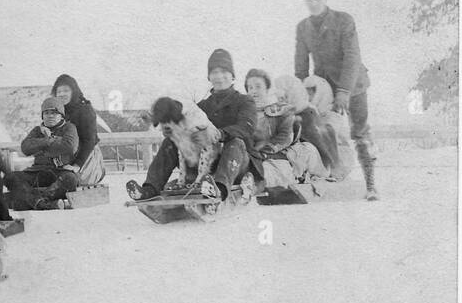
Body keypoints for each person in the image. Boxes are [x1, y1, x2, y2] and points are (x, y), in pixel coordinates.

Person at [127, 49, 255, 202]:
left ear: (232, 75)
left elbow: (246, 127)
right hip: (205, 165)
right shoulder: (201, 106)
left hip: (236, 163)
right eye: (214, 72)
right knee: (171, 141)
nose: (219, 76)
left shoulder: (245, 101)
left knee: (235, 142)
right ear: (209, 77)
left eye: (224, 71)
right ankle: (150, 189)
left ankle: (219, 189)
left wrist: (219, 134)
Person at [294, 0, 375, 197]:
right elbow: (300, 65)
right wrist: (300, 94)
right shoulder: (303, 28)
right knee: (321, 127)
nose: (312, 3)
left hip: (354, 84)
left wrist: (344, 92)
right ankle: (331, 172)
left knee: (359, 133)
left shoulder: (344, 20)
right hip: (324, 88)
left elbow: (352, 57)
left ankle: (371, 185)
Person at [7, 97, 81, 210]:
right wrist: (48, 141)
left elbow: (69, 147)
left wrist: (44, 145)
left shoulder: (69, 128)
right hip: (38, 171)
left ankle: (32, 200)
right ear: (43, 115)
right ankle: (46, 204)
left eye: (54, 113)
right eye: (46, 113)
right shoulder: (37, 130)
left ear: (61, 115)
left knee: (71, 179)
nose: (50, 116)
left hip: (59, 172)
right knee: (11, 177)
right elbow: (25, 147)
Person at [243, 69, 296, 190]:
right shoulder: (244, 114)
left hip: (274, 157)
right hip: (249, 158)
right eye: (250, 88)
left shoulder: (281, 110)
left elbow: (285, 136)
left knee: (266, 173)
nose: (254, 91)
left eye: (258, 87)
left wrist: (266, 149)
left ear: (267, 88)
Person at [52, 73, 105, 186]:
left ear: (73, 92)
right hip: (65, 156)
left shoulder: (85, 110)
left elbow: (89, 141)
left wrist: (76, 165)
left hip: (86, 159)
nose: (62, 94)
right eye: (59, 91)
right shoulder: (58, 112)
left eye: (66, 90)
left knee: (68, 180)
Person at [303, 74, 355, 181]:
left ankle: (333, 173)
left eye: (311, 94)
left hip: (340, 158)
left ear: (320, 94)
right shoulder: (313, 112)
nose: (308, 98)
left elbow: (327, 134)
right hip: (324, 156)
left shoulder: (332, 115)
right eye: (306, 95)